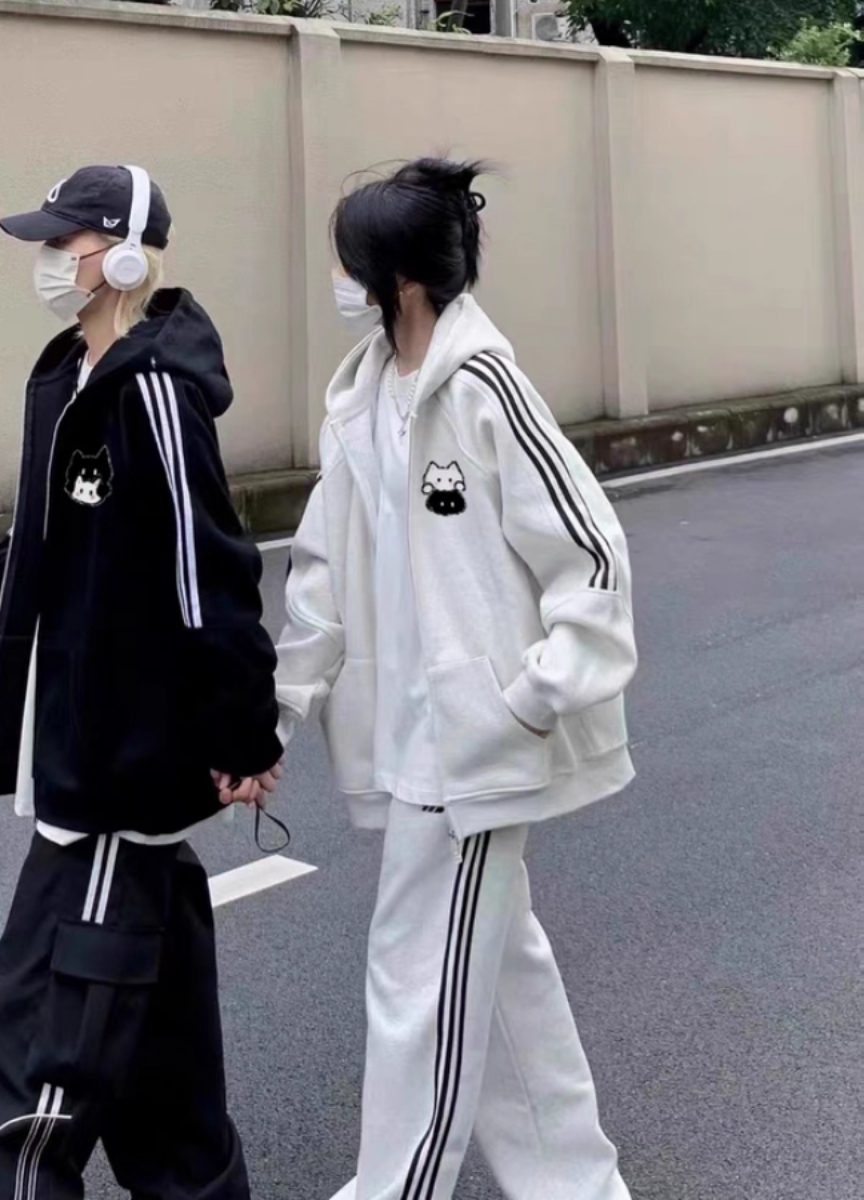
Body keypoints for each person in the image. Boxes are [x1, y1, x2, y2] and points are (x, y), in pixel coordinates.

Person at [274, 158, 638, 1200]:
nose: (337, 282)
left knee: (418, 979)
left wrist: (527, 698)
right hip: (412, 739)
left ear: (398, 280)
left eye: (348, 264)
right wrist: (279, 707)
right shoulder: (360, 400)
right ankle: (578, 1189)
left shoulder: (484, 388)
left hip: (473, 750)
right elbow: (323, 570)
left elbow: (592, 552)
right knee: (504, 980)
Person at [0, 164, 282, 1200]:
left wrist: (242, 734)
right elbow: (37, 527)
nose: (49, 260)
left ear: (124, 256)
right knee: (166, 1087)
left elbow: (209, 573)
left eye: (64, 242)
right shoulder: (69, 374)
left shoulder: (157, 390)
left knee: (28, 1094)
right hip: (86, 755)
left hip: (112, 781)